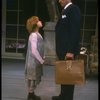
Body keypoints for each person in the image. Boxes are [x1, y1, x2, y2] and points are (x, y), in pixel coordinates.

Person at [52, 0, 81, 100]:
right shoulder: (65, 10)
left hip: (68, 51)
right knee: (64, 74)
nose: (59, 1)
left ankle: (67, 98)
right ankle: (63, 95)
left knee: (69, 75)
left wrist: (71, 51)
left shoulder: (73, 9)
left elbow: (75, 31)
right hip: (62, 50)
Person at [25, 16, 44, 100]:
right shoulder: (33, 35)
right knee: (32, 78)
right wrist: (41, 60)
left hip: (35, 61)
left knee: (34, 78)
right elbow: (34, 50)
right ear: (35, 24)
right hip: (33, 61)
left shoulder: (36, 34)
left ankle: (31, 94)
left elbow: (39, 48)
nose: (40, 21)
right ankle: (30, 96)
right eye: (38, 20)